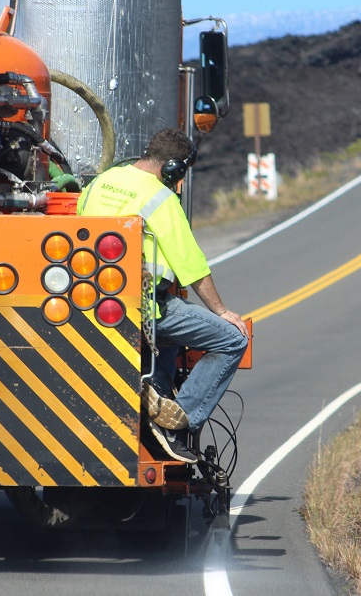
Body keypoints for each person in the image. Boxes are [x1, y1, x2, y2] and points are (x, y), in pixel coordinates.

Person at [77, 128, 249, 463]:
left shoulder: (100, 182)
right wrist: (221, 310)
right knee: (231, 340)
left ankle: (156, 396)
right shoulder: (160, 197)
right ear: (173, 168)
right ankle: (178, 421)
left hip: (92, 300)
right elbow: (191, 265)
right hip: (146, 307)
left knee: (169, 343)